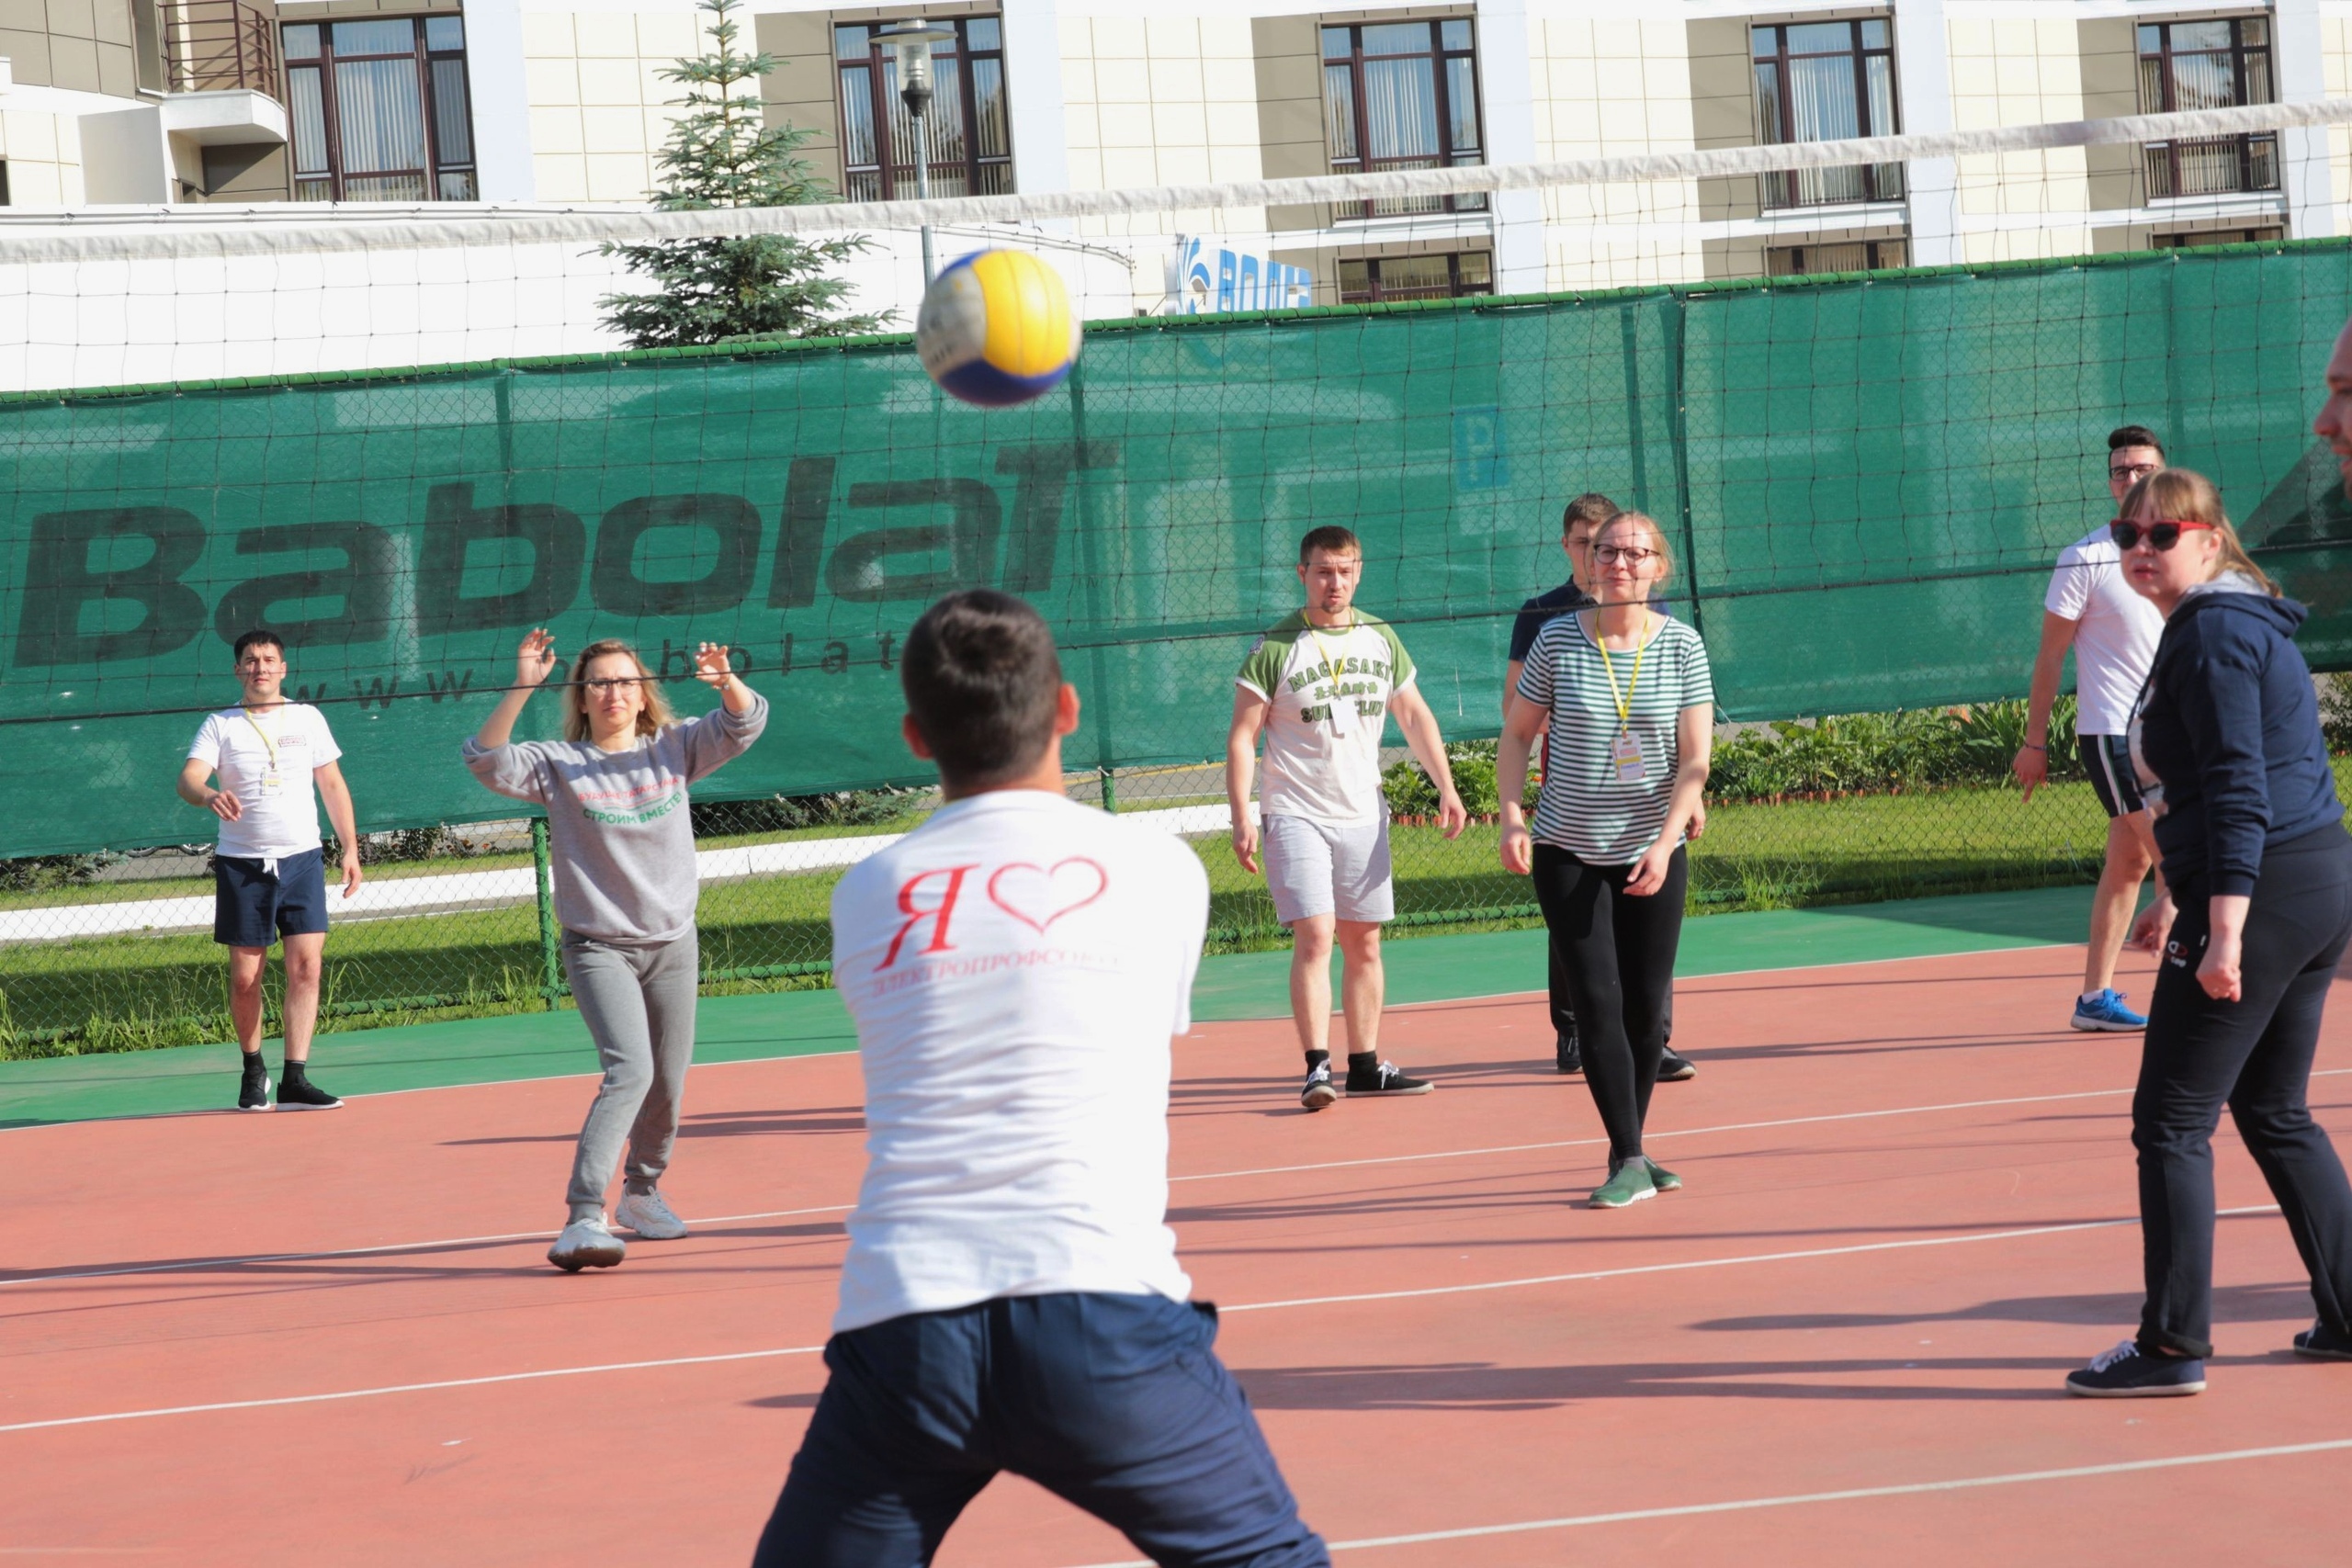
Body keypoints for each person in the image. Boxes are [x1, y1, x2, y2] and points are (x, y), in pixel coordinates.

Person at [754, 590, 1327, 1566]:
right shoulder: (1160, 869)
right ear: (1066, 707)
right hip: (1101, 1313)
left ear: (915, 736)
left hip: (906, 1327)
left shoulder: (867, 891)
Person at [2064, 467, 2352, 1397]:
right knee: (2273, 1109)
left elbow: (2236, 782)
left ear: (2211, 539)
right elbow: (2216, 782)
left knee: (2171, 1122)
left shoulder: (2214, 633)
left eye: (2163, 533)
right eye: (2127, 534)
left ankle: (2171, 1345)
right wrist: (2177, 892)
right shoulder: (2223, 621)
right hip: (2309, 880)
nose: (2140, 548)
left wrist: (2222, 928)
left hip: (2264, 893)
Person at [463, 630, 766, 1273]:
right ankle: (583, 1215)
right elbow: (485, 758)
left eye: (625, 681)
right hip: (599, 945)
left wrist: (725, 681)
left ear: (643, 692)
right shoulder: (558, 764)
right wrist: (521, 686)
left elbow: (744, 723)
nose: (612, 692)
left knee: (669, 1083)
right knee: (631, 1070)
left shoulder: (675, 748)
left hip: (673, 942)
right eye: (598, 682)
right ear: (582, 697)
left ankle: (642, 1192)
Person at [1498, 512, 1713, 1209]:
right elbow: (1517, 734)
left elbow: (1695, 761)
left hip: (1654, 849)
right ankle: (1631, 1155)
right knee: (1598, 1003)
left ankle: (1630, 1149)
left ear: (1658, 567)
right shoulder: (1557, 639)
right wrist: (1511, 815)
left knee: (1648, 1013)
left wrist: (1666, 841)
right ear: (1589, 563)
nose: (1620, 563)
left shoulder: (1681, 646)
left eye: (1635, 553)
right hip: (1567, 849)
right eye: (1608, 551)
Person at [1227, 525, 1467, 1111]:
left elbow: (1414, 715)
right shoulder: (1276, 646)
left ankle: (1365, 1067)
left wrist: (1447, 787)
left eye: (1344, 571)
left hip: (1363, 810)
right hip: (1295, 810)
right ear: (1302, 574)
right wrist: (1241, 814)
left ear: (1358, 572)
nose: (1334, 583)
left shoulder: (1380, 637)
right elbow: (1242, 736)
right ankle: (1317, 1068)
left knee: (1365, 942)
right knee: (1315, 936)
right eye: (1322, 572)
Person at [2013, 424, 2169, 1032]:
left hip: (2169, 734)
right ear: (2110, 484)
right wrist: (2034, 742)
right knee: (2181, 861)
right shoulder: (2085, 558)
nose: (2131, 478)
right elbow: (2050, 657)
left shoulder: (2182, 552)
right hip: (2113, 735)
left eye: (2142, 468)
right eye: (2121, 471)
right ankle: (2202, 996)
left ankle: (2094, 1000)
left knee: (2130, 865)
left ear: (2164, 473)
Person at [177, 630, 364, 1112]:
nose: (259, 667)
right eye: (250, 660)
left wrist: (349, 848)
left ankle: (295, 1078)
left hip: (302, 860)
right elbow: (189, 779)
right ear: (238, 670)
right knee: (246, 978)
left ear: (283, 668)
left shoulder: (307, 717)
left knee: (307, 967)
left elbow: (332, 784)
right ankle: (253, 1068)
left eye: (268, 659)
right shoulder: (220, 724)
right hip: (243, 866)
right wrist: (208, 794)